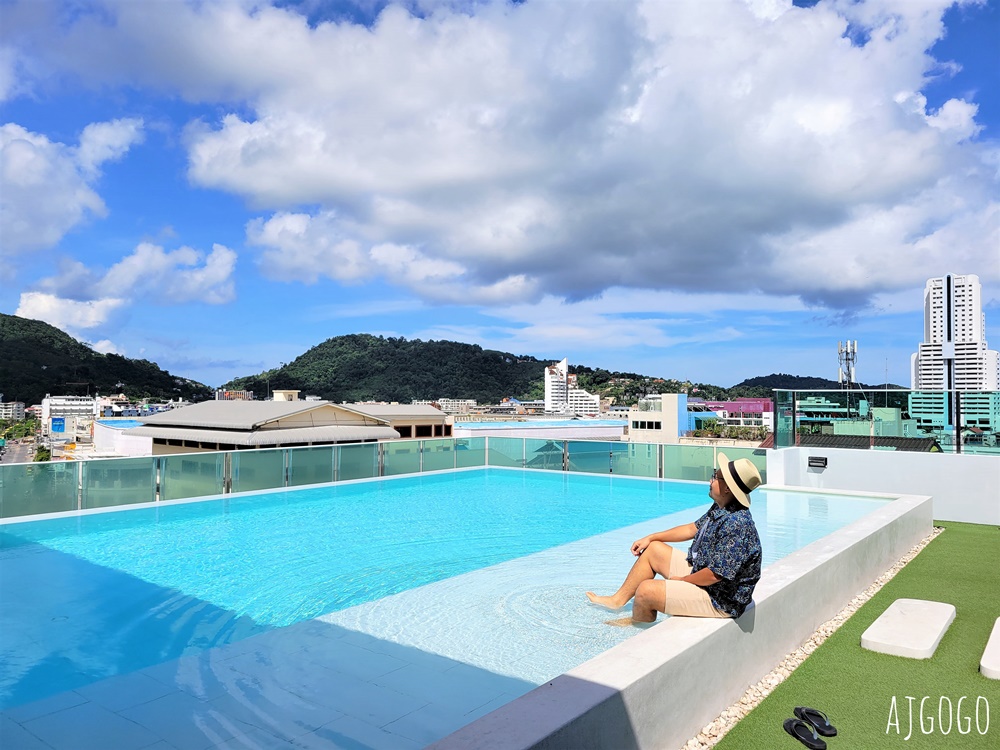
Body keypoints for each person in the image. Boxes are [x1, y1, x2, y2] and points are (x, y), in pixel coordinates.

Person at [586, 452, 762, 625]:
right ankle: (617, 601)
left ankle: (636, 629)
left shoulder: (736, 524)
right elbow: (691, 528)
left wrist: (683, 580)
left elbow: (714, 575)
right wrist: (651, 537)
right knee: (654, 549)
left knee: (646, 592)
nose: (710, 480)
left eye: (715, 477)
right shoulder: (722, 507)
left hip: (720, 599)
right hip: (707, 579)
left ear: (727, 488)